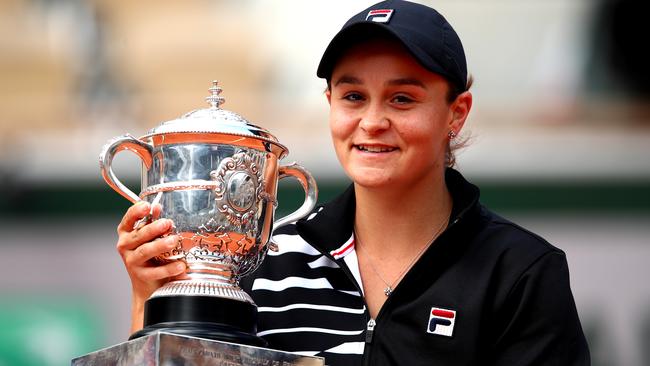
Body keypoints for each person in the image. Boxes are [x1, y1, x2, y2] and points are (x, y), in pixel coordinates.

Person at [116, 1, 591, 365]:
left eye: (402, 98)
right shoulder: (262, 262)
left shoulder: (521, 272)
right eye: (353, 96)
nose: (372, 121)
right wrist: (154, 298)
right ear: (330, 103)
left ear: (456, 113)